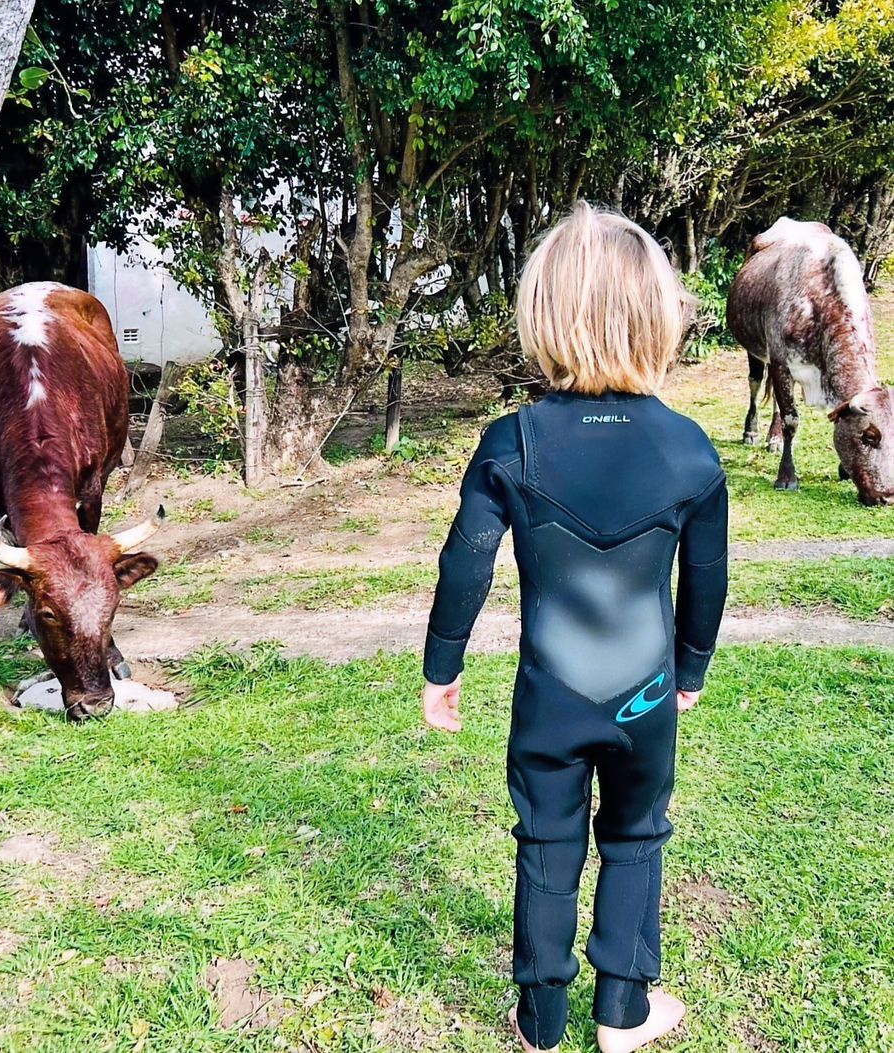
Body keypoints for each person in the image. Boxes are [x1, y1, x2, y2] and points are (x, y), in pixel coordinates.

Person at [421, 201, 728, 1053]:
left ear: (543, 314)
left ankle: (542, 1021)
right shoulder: (691, 449)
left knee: (546, 842)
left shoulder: (510, 443)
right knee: (637, 837)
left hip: (549, 699)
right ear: (657, 316)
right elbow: (706, 578)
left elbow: (466, 564)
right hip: (645, 697)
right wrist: (691, 669)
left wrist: (441, 667)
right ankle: (622, 1015)